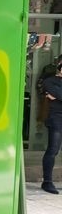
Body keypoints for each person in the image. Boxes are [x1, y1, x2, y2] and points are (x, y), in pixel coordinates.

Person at [41, 59, 62, 194]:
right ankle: (47, 182)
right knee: (53, 149)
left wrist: (58, 96)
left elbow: (59, 95)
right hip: (56, 118)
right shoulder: (50, 81)